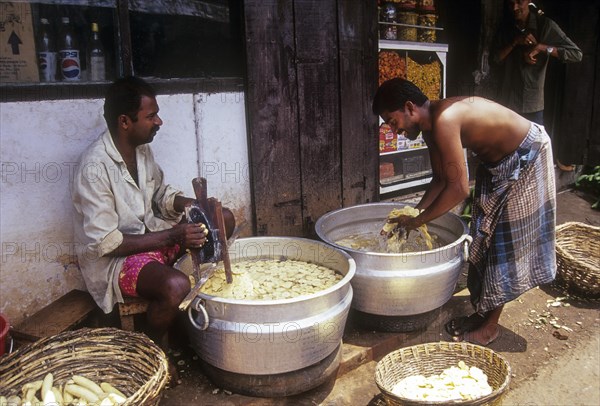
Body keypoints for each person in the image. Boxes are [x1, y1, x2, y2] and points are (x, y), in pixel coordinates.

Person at [373, 78, 557, 346]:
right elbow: (439, 180)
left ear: (410, 108)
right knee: (484, 236)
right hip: (498, 164)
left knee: (504, 244)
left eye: (392, 121)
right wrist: (411, 215)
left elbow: (458, 189)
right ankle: (482, 313)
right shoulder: (429, 127)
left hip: (528, 156)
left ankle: (490, 327)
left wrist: (418, 221)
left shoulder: (445, 119)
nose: (395, 130)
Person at [71, 76, 234, 350]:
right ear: (125, 122)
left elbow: (161, 196)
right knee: (174, 285)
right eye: (152, 116)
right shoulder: (94, 169)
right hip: (118, 261)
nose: (159, 122)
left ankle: (190, 319)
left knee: (223, 218)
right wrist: (174, 235)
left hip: (156, 236)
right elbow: (109, 243)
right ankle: (152, 347)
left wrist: (191, 204)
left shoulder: (141, 150)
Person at [492, 0, 582, 126]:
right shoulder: (506, 27)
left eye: (519, 2)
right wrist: (515, 42)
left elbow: (576, 54)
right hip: (507, 103)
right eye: (510, 3)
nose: (514, 7)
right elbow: (495, 59)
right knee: (504, 145)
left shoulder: (545, 25)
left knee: (532, 145)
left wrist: (543, 48)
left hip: (531, 105)